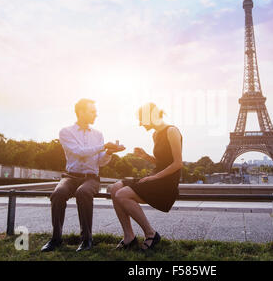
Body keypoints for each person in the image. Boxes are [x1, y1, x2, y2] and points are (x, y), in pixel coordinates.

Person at [41, 98, 124, 252]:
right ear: (81, 112)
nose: (96, 115)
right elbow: (78, 152)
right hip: (70, 177)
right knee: (58, 194)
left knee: (83, 192)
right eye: (92, 112)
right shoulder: (66, 132)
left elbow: (100, 162)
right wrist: (103, 146)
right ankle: (56, 239)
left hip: (91, 178)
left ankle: (86, 240)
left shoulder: (98, 134)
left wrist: (109, 153)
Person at [109, 102, 183, 250]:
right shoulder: (156, 134)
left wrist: (153, 178)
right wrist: (146, 156)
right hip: (156, 176)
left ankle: (151, 234)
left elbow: (177, 164)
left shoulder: (172, 131)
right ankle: (129, 237)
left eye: (141, 119)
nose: (140, 124)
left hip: (166, 182)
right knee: (114, 188)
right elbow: (162, 162)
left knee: (122, 195)